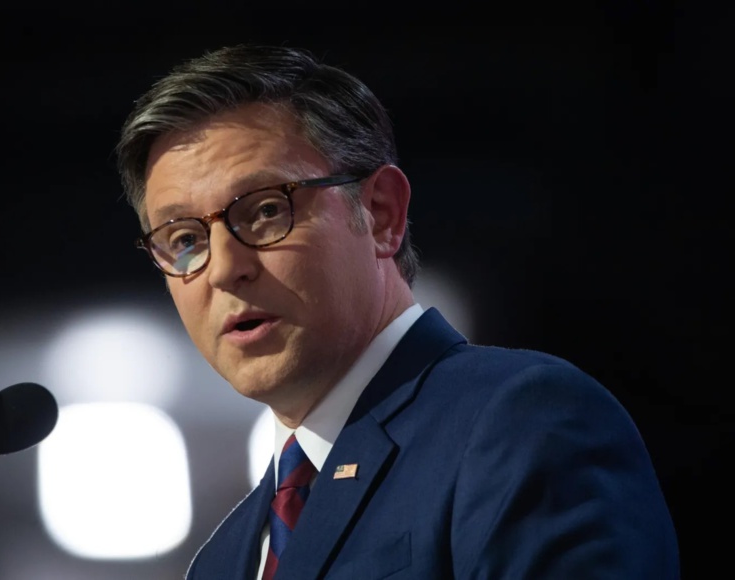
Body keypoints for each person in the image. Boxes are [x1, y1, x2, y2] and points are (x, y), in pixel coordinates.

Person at [115, 44, 680, 579]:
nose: (222, 268)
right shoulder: (225, 557)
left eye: (265, 210)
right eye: (184, 239)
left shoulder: (519, 421)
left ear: (382, 214)